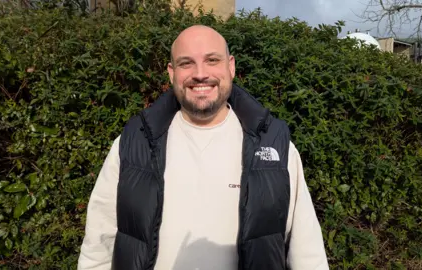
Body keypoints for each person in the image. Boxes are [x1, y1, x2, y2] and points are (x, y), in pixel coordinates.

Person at [77, 25, 329, 270]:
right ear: (171, 72)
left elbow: (307, 252)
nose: (200, 73)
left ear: (230, 66)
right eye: (186, 63)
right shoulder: (134, 143)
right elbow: (99, 242)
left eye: (212, 60)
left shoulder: (274, 147)